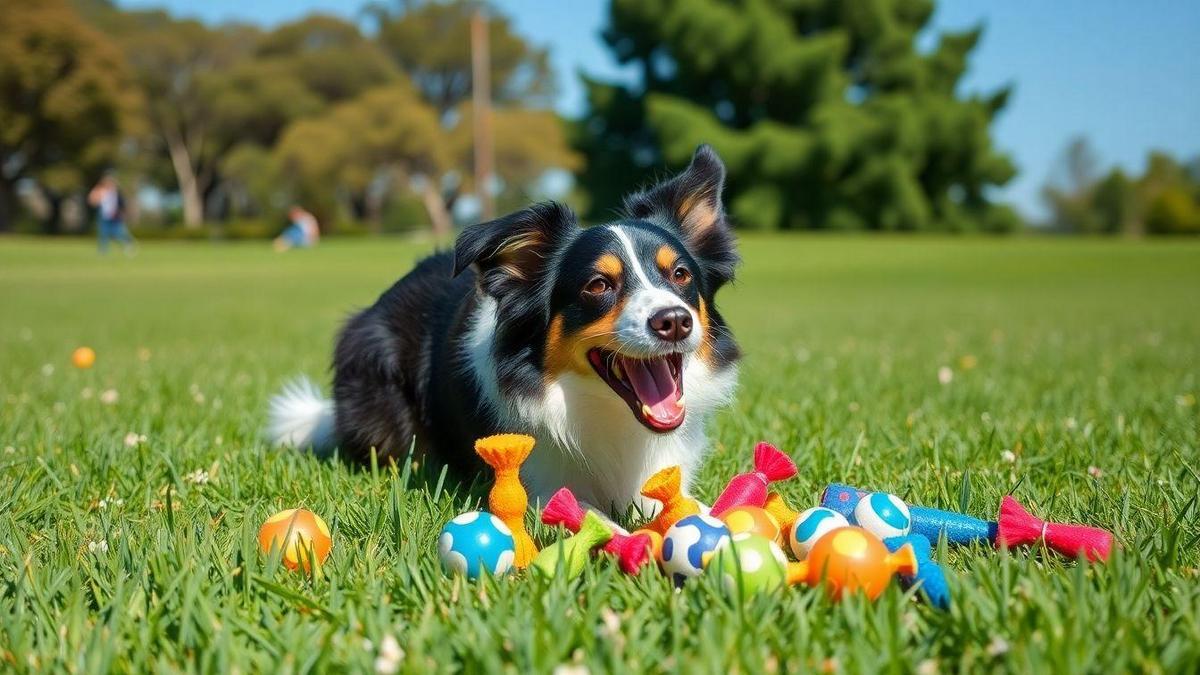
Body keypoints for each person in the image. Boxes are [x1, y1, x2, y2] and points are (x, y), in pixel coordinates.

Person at [88, 174, 136, 255]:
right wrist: (97, 190)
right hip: (104, 216)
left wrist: (122, 213)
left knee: (118, 233)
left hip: (115, 216)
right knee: (103, 233)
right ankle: (103, 251)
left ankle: (128, 243)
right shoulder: (101, 192)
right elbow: (92, 200)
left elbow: (122, 204)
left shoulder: (117, 193)